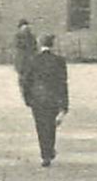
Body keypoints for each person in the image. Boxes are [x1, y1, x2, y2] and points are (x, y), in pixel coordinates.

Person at [19, 33, 69, 167]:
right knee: (51, 126)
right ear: (52, 45)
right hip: (53, 97)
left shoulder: (33, 60)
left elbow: (26, 81)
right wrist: (64, 105)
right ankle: (50, 150)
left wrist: (27, 98)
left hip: (38, 98)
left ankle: (45, 154)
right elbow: (62, 82)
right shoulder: (59, 61)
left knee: (41, 126)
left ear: (40, 44)